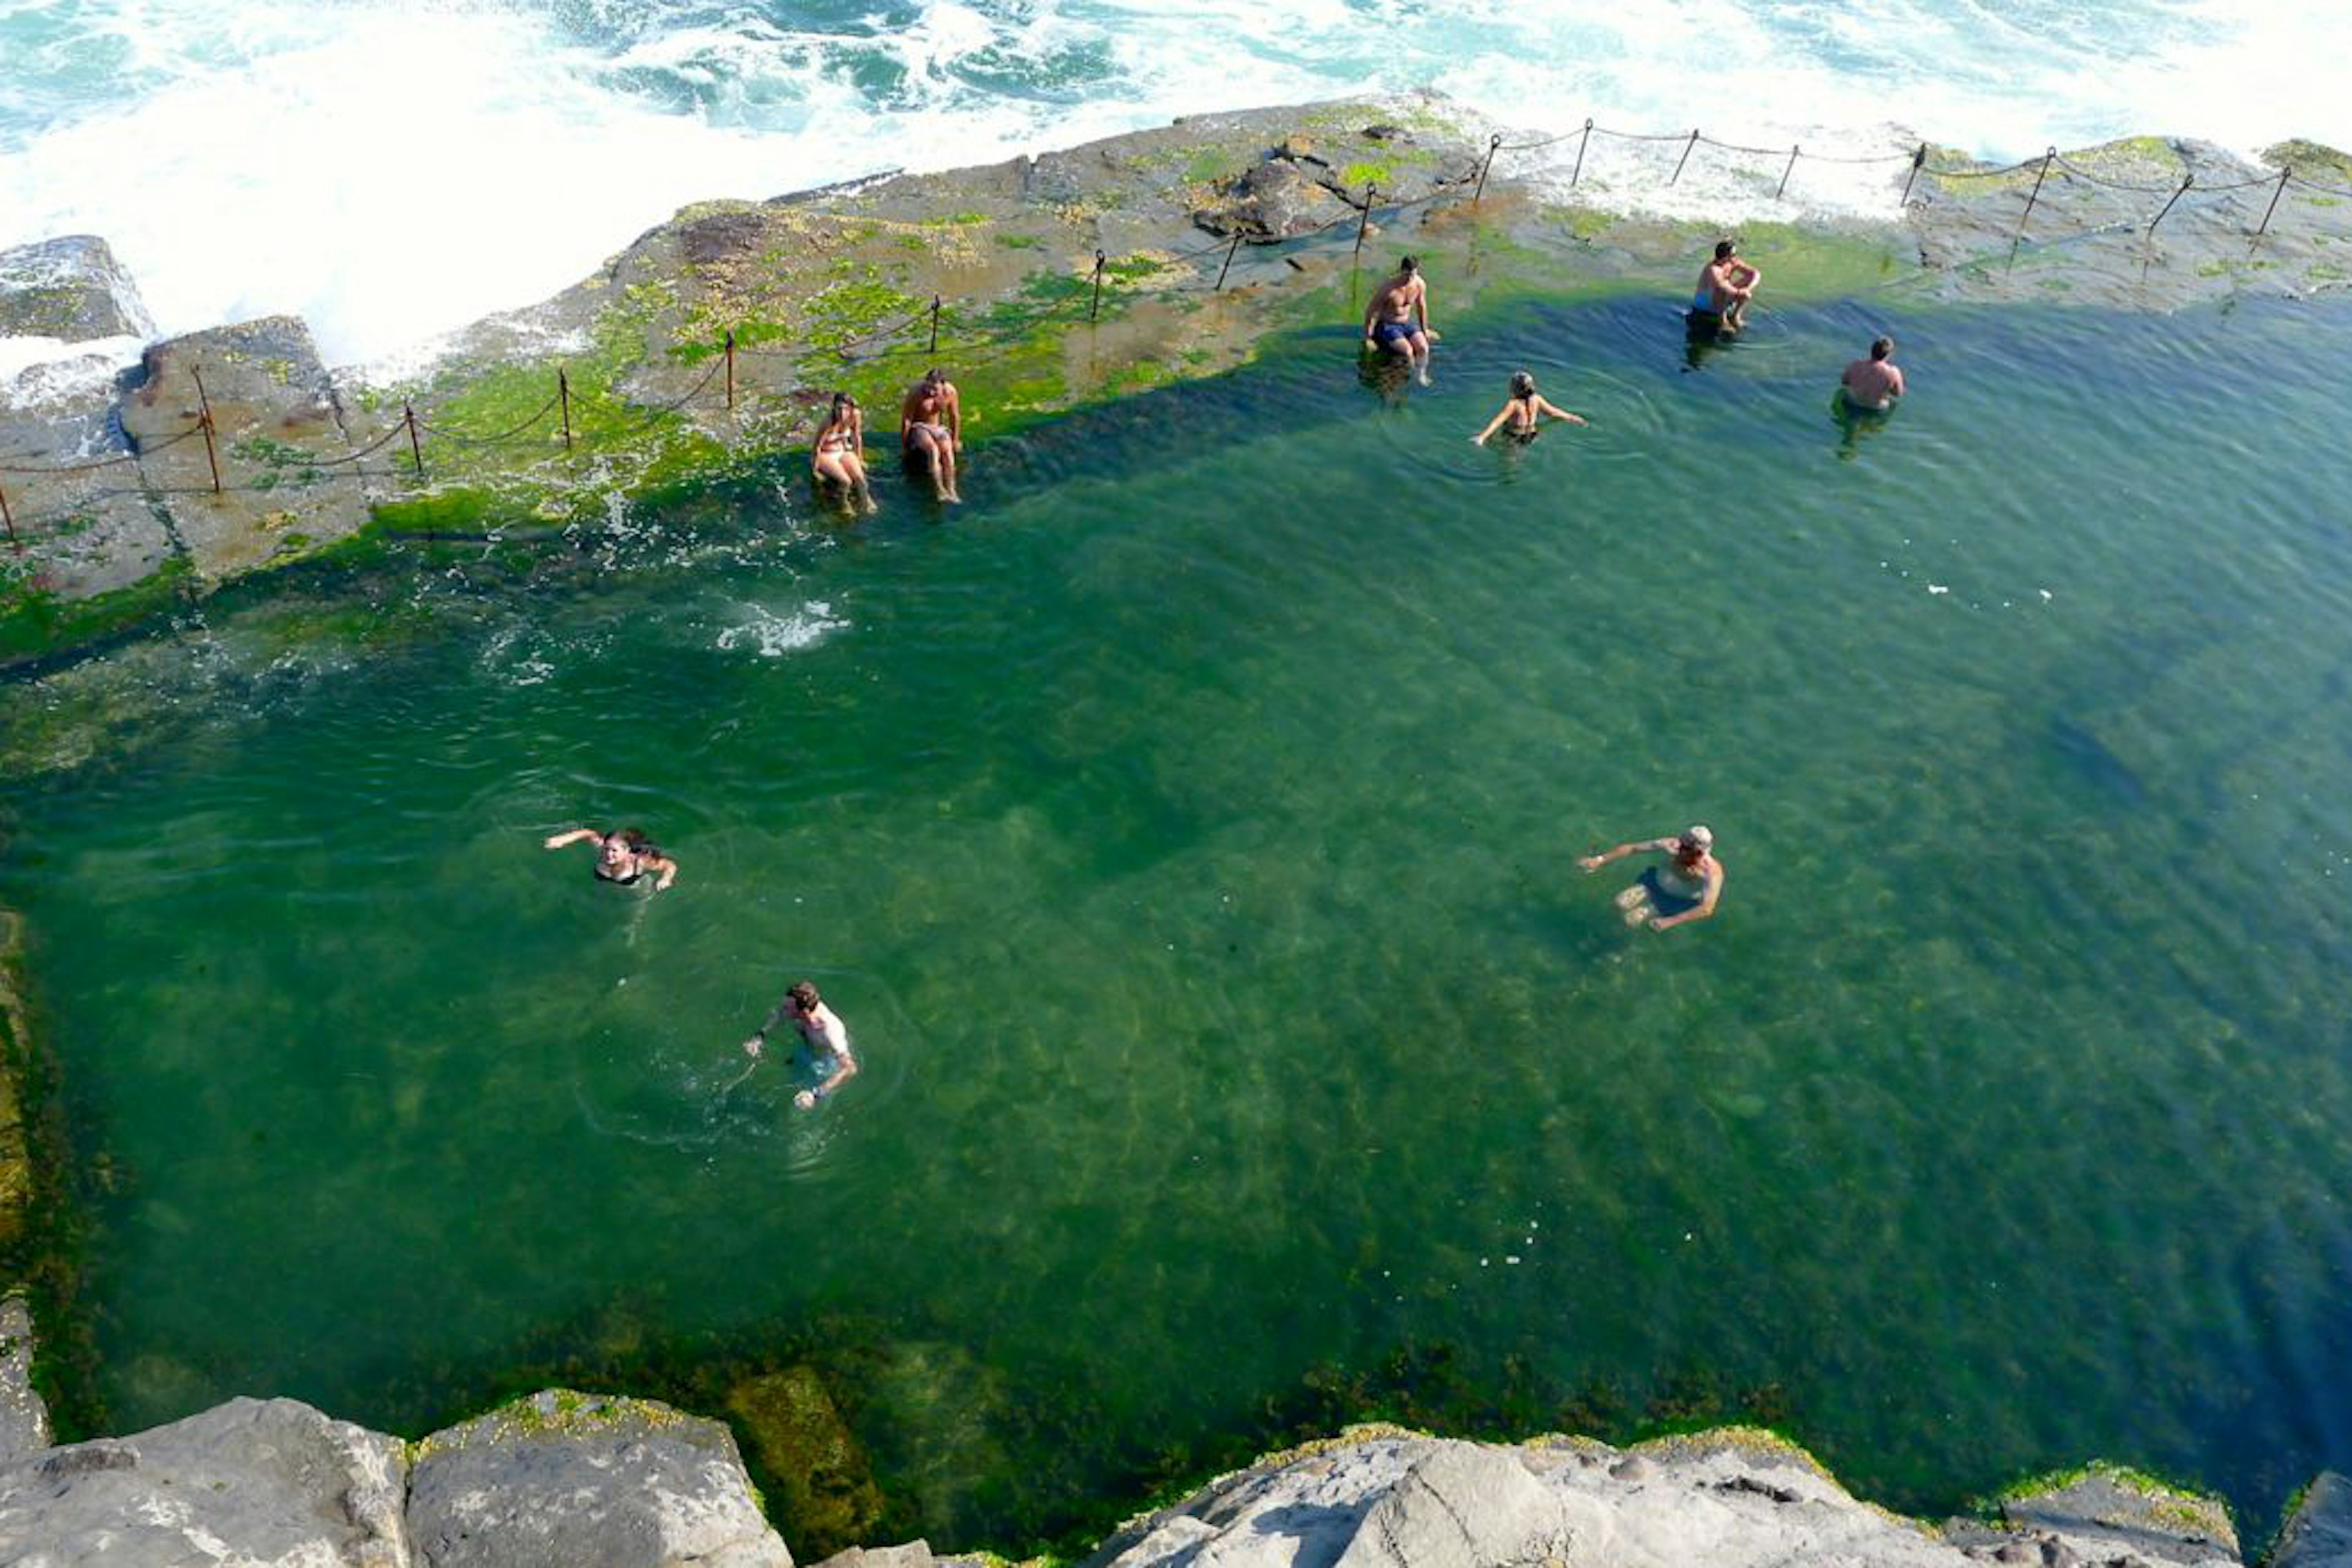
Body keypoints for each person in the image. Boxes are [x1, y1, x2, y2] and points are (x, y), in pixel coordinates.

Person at [1577, 826, 1724, 932]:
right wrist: (1600, 860)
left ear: (1702, 853)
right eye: (1683, 847)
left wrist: (1670, 922)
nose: (1683, 852)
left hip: (1674, 901)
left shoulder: (1711, 872)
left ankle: (1618, 943)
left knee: (1631, 920)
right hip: (1653, 884)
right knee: (1620, 902)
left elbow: (1707, 908)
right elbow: (1632, 848)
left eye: (1693, 852)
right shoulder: (1671, 846)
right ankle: (1600, 926)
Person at [742, 979, 859, 1109]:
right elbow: (779, 1015)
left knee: (801, 1107)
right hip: (806, 1049)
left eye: (788, 1007)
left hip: (826, 1064)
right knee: (787, 1086)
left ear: (804, 1012)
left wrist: (816, 1094)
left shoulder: (830, 1032)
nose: (783, 1009)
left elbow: (850, 1068)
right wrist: (760, 1036)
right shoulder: (803, 1010)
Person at [1362, 256, 1438, 385]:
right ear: (1401, 271)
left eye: (1413, 275)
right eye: (1407, 275)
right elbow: (1371, 311)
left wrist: (1425, 329)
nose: (1409, 279)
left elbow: (1421, 306)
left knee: (1424, 347)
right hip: (1388, 325)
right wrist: (1368, 337)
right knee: (1408, 351)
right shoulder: (1388, 288)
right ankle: (1409, 374)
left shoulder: (1419, 284)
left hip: (1406, 324)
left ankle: (1421, 374)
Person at [1471, 371, 1589, 445]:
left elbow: (1498, 421)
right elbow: (1554, 412)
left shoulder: (1513, 404)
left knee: (1510, 460)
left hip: (1514, 436)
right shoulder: (1537, 399)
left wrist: (1482, 437)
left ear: (1514, 389)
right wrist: (1573, 418)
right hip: (1533, 435)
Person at [899, 368, 963, 504]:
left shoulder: (950, 392)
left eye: (934, 388)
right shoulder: (916, 393)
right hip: (920, 427)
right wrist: (905, 445)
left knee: (947, 451)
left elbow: (954, 416)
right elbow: (907, 420)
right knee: (933, 450)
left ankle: (952, 490)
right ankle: (940, 490)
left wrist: (955, 440)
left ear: (942, 385)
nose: (930, 392)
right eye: (928, 387)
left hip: (939, 428)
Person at [543, 827, 677, 891]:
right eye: (607, 849)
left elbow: (669, 865)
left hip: (634, 889)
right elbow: (588, 833)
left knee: (635, 911)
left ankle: (632, 927)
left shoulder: (639, 862)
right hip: (604, 888)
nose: (608, 854)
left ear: (627, 851)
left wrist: (666, 879)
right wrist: (564, 839)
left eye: (614, 851)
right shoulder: (602, 848)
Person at [811, 392, 878, 514]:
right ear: (834, 408)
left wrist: (860, 458)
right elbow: (817, 446)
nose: (842, 413)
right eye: (839, 409)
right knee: (846, 481)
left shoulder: (855, 415)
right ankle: (844, 504)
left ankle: (866, 500)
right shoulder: (827, 422)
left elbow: (856, 437)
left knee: (860, 478)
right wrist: (814, 469)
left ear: (851, 409)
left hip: (842, 450)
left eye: (846, 409)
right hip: (826, 453)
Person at [1691, 240, 1761, 336]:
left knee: (1746, 281)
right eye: (1733, 255)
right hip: (1705, 304)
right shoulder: (1713, 269)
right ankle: (1723, 322)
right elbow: (1722, 285)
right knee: (1722, 288)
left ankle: (1736, 317)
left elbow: (1755, 274)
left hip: (1723, 296)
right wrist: (1741, 293)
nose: (1735, 257)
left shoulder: (1733, 262)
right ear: (1725, 256)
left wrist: (1748, 289)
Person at [1840, 336, 1906, 412]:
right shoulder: (1894, 372)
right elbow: (1898, 394)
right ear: (1889, 355)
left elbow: (1844, 382)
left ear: (1872, 350)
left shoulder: (1855, 365)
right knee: (1892, 404)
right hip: (1875, 408)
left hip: (1852, 402)